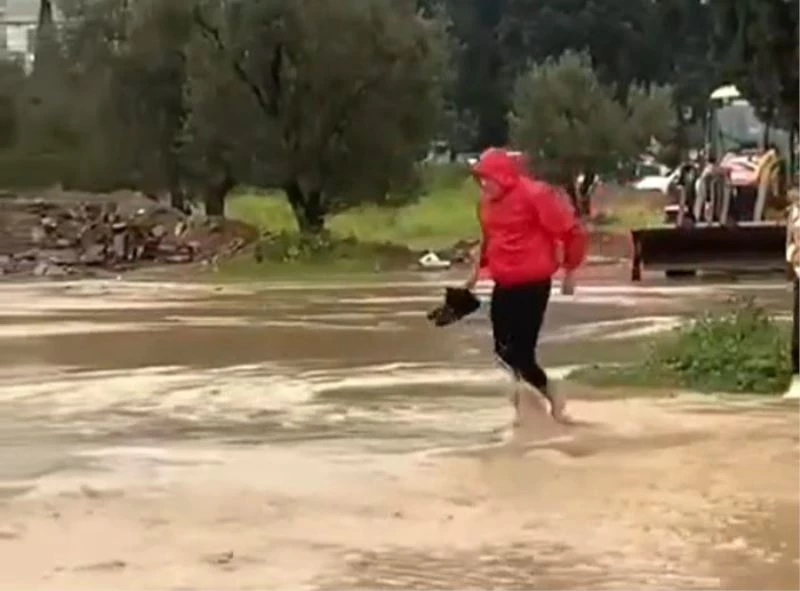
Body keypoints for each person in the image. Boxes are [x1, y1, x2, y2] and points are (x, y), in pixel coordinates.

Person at [464, 148, 587, 424]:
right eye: (480, 179)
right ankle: (529, 400)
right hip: (503, 282)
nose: (484, 185)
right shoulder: (486, 204)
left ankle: (547, 397)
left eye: (488, 179)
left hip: (533, 283)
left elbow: (571, 231)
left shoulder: (535, 195)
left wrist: (570, 270)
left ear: (503, 176)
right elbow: (489, 238)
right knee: (502, 351)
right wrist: (475, 273)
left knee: (521, 353)